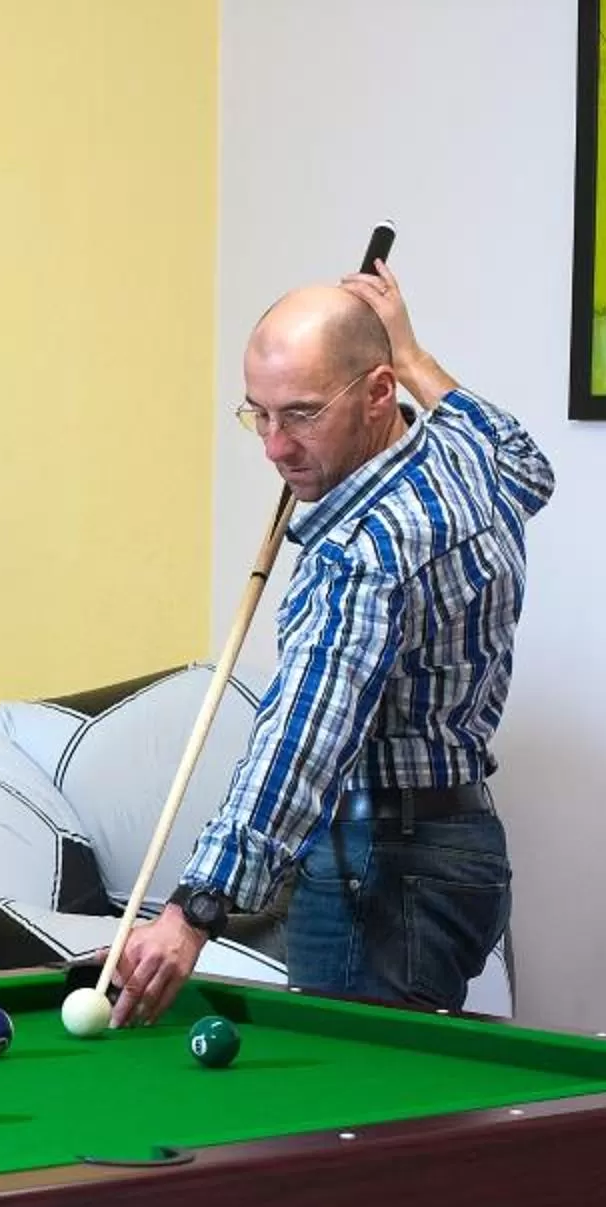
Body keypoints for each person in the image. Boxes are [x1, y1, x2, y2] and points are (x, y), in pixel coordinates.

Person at [113, 264, 553, 1025]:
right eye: (260, 415)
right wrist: (414, 354)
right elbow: (527, 464)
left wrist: (193, 912)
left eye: (303, 415)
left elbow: (302, 743)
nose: (276, 449)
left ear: (379, 394)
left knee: (350, 1133)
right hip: (460, 853)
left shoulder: (366, 549)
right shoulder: (462, 458)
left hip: (379, 872)